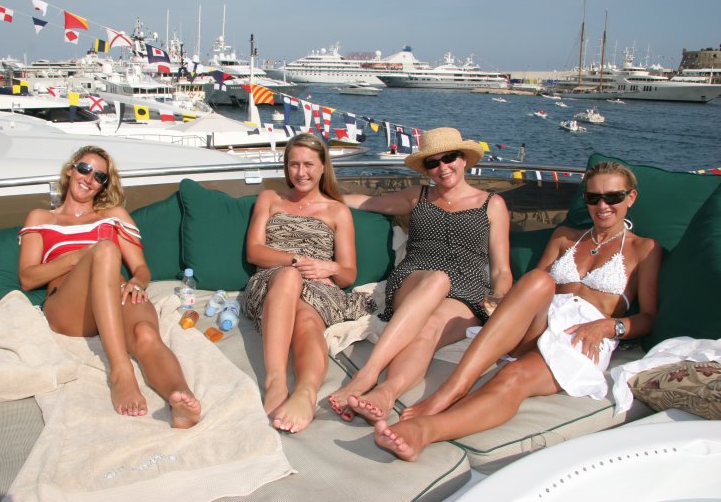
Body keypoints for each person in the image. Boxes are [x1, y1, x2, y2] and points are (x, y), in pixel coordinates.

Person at [374, 161, 662, 461]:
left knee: (513, 375)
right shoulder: (565, 236)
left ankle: (425, 430)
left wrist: (610, 327)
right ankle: (453, 389)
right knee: (539, 279)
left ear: (630, 198)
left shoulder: (645, 249)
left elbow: (649, 318)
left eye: (613, 197)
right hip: (539, 320)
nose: (602, 205)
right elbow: (532, 291)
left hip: (581, 333)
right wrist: (500, 303)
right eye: (593, 198)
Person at [328, 127, 512, 423]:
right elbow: (368, 203)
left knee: (430, 329)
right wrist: (320, 196)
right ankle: (368, 375)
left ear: (464, 159)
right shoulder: (419, 196)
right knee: (437, 279)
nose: (442, 167)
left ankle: (386, 393)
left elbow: (502, 268)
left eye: (449, 158)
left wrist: (499, 302)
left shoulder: (492, 204)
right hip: (416, 276)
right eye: (433, 162)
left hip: (467, 290)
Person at [18, 146, 200, 428]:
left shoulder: (113, 215)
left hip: (114, 294)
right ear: (70, 170)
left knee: (146, 333)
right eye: (84, 169)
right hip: (70, 308)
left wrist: (138, 281)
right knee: (104, 250)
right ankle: (121, 371)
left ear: (103, 185)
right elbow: (28, 278)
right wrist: (77, 257)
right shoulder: (42, 218)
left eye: (99, 176)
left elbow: (140, 268)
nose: (89, 178)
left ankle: (181, 398)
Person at [243, 133, 374, 433]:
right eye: (293, 165)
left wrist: (329, 266)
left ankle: (305, 391)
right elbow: (254, 251)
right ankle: (275, 380)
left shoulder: (337, 211)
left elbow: (348, 274)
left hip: (318, 285)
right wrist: (294, 261)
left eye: (308, 165)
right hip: (270, 278)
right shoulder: (270, 199)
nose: (301, 173)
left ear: (323, 166)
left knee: (306, 320)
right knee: (289, 277)